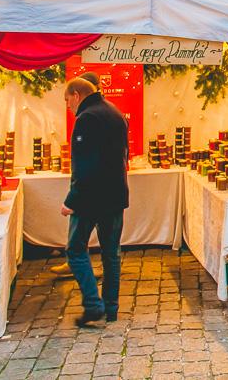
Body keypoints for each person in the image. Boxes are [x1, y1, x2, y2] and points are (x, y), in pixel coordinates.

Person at [62, 78, 130, 326]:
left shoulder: (86, 118)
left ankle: (93, 305)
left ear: (77, 95)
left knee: (75, 249)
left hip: (91, 198)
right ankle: (111, 308)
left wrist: (72, 200)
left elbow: (84, 164)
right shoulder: (115, 112)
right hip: (115, 195)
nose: (68, 106)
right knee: (111, 253)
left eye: (67, 100)